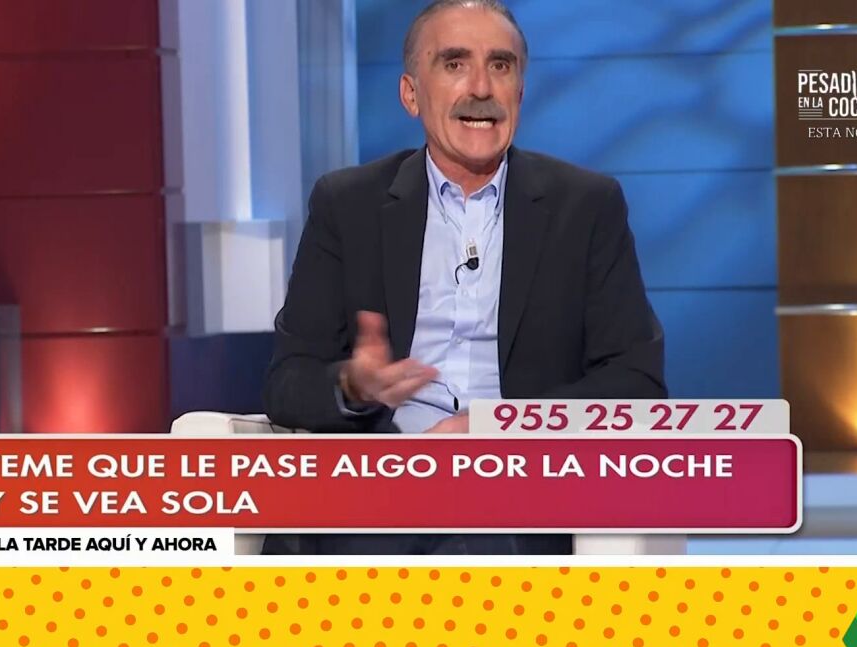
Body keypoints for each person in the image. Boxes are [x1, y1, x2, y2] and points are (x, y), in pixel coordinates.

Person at [261, 0, 666, 555]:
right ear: (411, 95)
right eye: (454, 63)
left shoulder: (586, 207)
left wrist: (498, 429)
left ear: (520, 91)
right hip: (382, 485)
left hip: (519, 486)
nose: (481, 87)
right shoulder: (348, 205)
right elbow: (288, 382)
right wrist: (355, 385)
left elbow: (635, 380)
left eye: (500, 65)